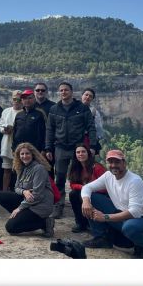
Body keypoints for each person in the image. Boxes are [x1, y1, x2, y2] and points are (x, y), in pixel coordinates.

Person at [81, 149, 143, 258]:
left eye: (117, 162)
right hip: (118, 213)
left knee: (130, 227)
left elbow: (134, 212)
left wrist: (105, 217)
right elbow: (87, 187)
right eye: (110, 162)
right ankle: (102, 238)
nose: (113, 165)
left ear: (124, 163)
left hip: (139, 219)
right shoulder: (108, 176)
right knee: (90, 197)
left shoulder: (135, 181)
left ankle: (141, 245)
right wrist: (86, 202)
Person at [45, 82, 96, 218]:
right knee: (60, 177)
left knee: (79, 176)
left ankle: (80, 206)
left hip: (77, 147)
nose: (63, 92)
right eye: (61, 90)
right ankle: (58, 206)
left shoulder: (82, 108)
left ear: (71, 92)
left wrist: (92, 146)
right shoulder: (54, 109)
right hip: (60, 147)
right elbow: (50, 130)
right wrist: (48, 147)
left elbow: (91, 127)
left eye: (66, 90)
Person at [0, 143, 56, 237]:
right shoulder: (22, 168)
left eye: (27, 153)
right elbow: (16, 188)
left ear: (32, 154)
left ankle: (45, 222)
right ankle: (24, 217)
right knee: (0, 195)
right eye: (22, 154)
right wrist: (24, 191)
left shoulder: (39, 169)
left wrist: (19, 208)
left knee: (10, 227)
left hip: (40, 204)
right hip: (28, 201)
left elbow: (37, 195)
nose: (24, 156)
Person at [67, 145, 106, 233]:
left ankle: (93, 224)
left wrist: (89, 190)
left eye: (83, 152)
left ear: (88, 153)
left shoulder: (97, 167)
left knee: (83, 196)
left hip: (99, 194)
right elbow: (72, 184)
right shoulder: (76, 167)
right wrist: (83, 188)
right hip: (85, 192)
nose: (81, 154)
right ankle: (81, 223)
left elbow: (105, 186)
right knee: (73, 194)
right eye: (78, 152)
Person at [81, 87, 105, 154]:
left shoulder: (94, 112)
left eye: (90, 96)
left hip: (87, 140)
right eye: (86, 95)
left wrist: (93, 143)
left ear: (92, 99)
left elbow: (98, 128)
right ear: (82, 95)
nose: (88, 97)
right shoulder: (73, 108)